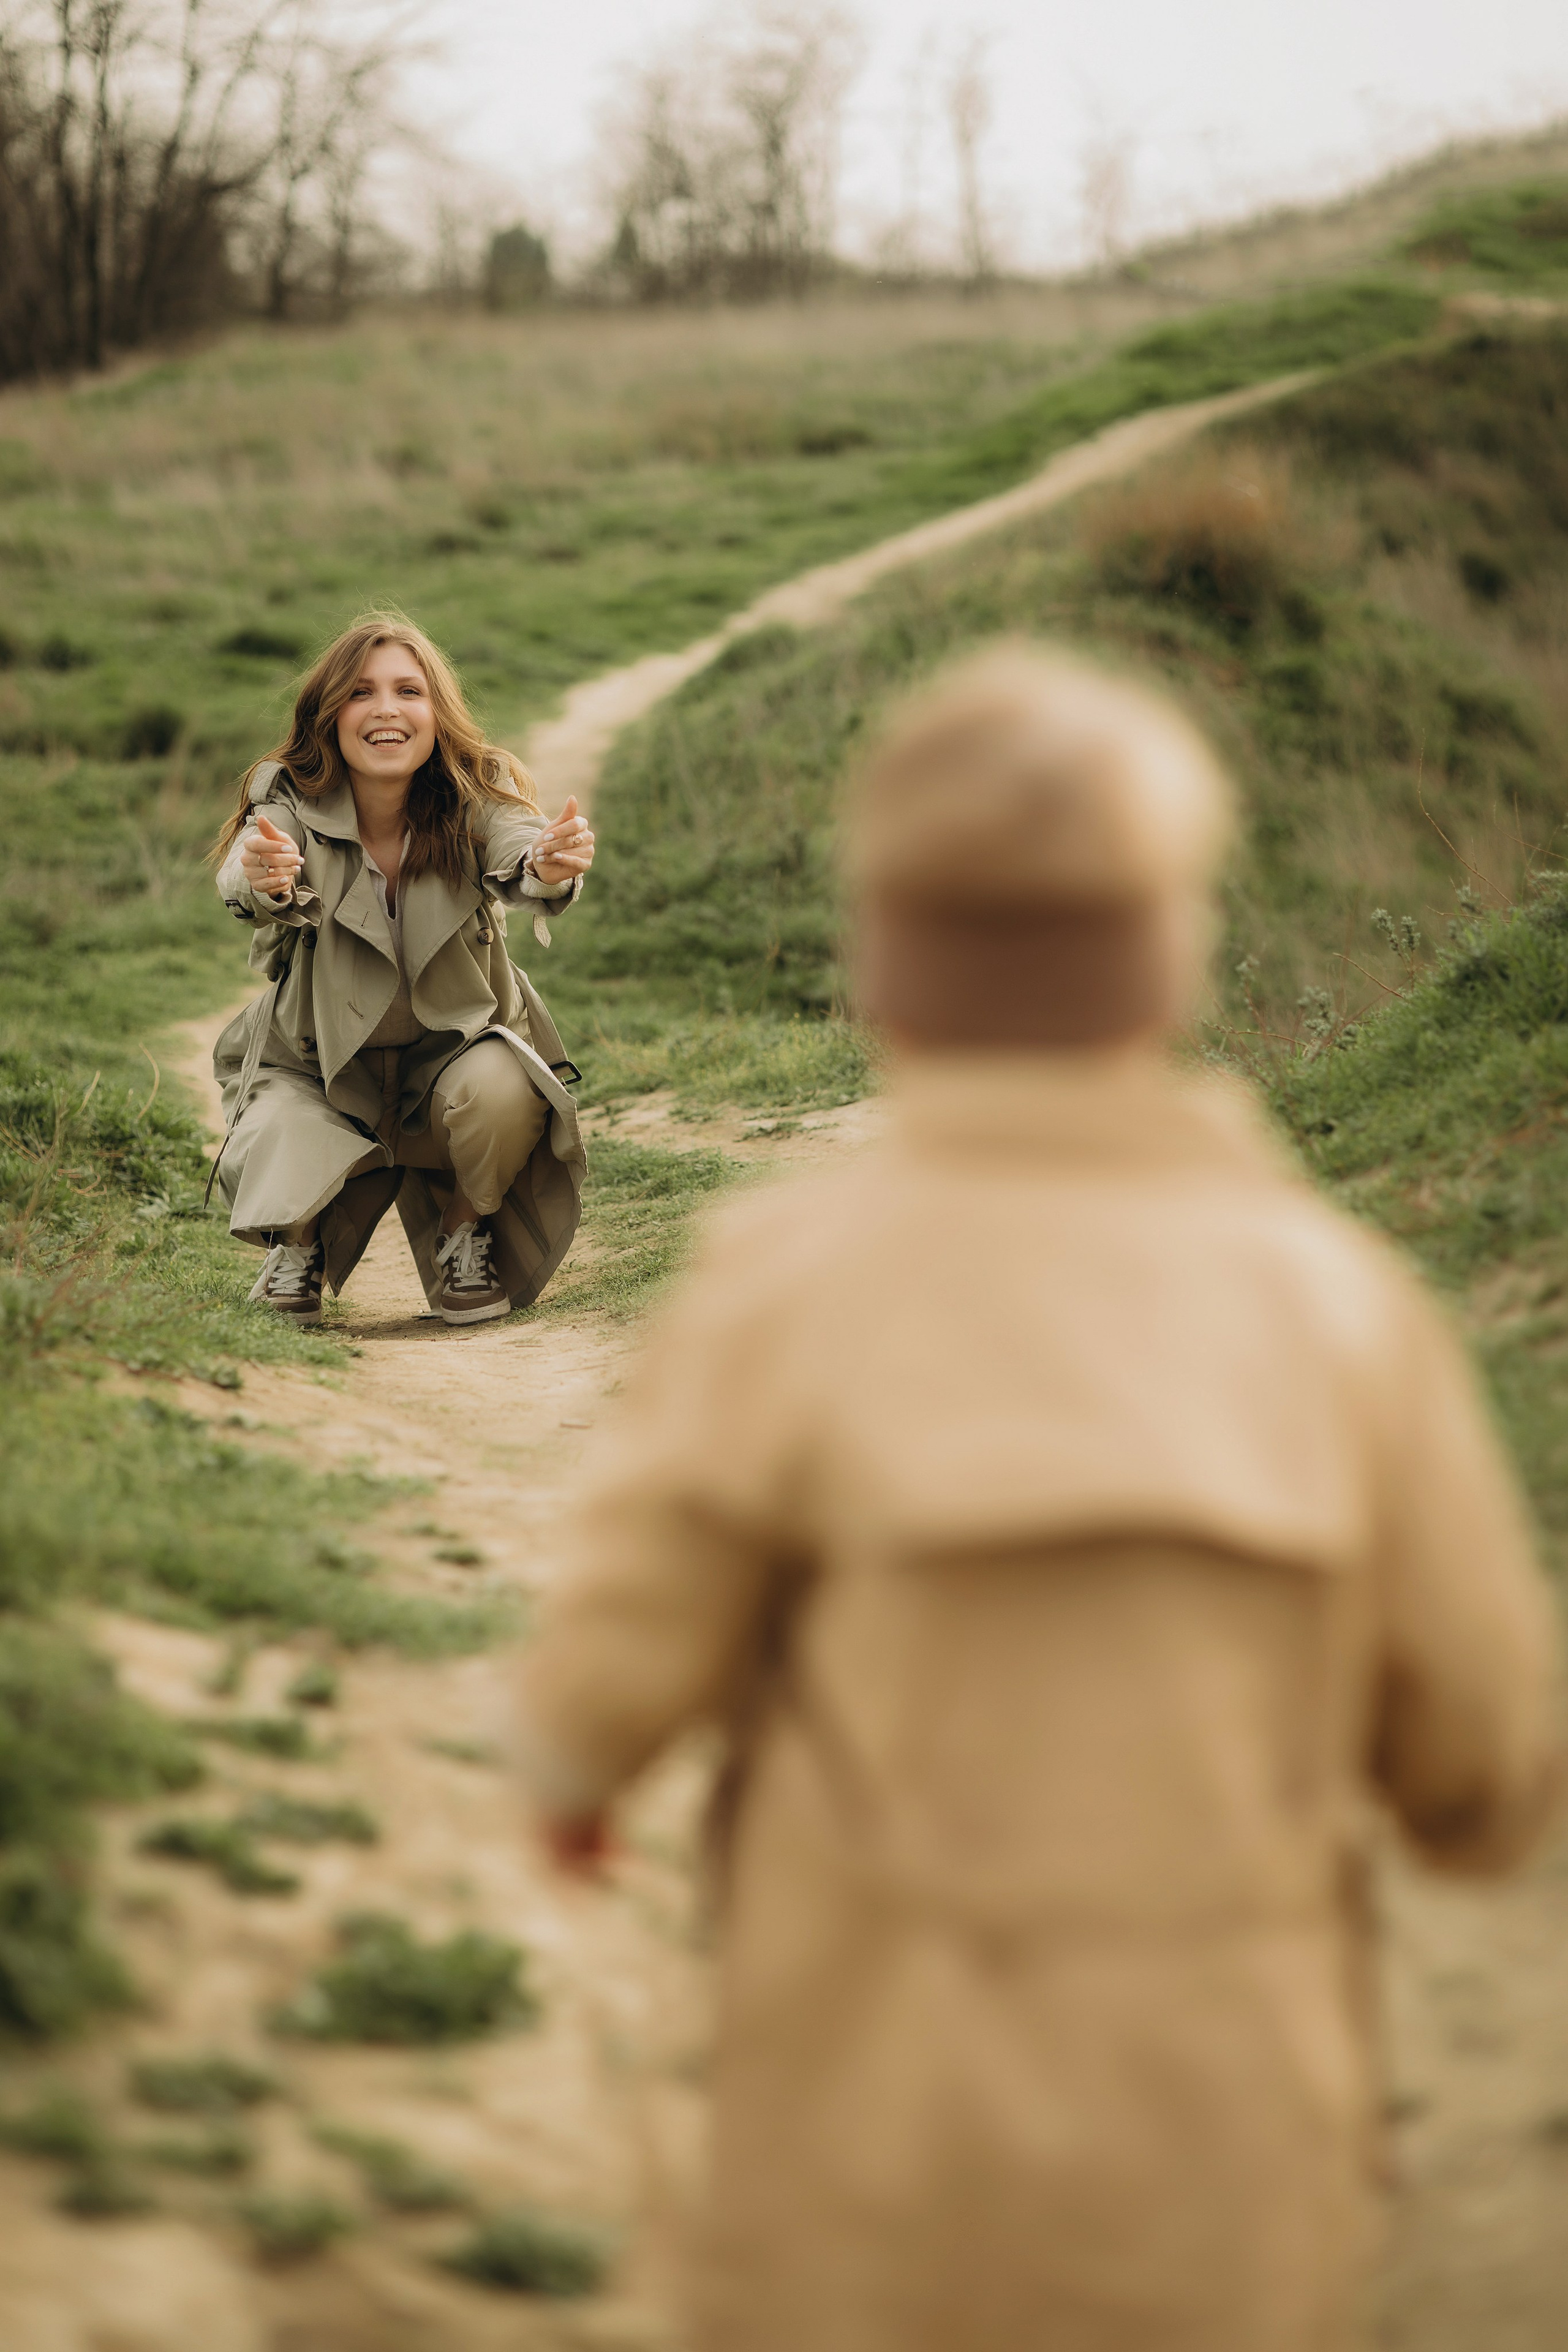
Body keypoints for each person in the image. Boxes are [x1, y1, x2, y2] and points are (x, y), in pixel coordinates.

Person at [511, 643, 1562, 2352]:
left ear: (884, 976)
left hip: (859, 2143)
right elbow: (1483, 1760)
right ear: (1171, 968)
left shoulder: (785, 1280)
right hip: (1223, 2154)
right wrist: (1470, 1813)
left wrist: (572, 1770)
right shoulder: (1333, 1307)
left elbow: (629, 1622)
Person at [209, 609, 595, 1325]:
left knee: (507, 1083)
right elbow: (247, 865)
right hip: (317, 1070)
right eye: (360, 692)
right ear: (329, 715)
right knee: (277, 1122)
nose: (386, 709)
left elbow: (521, 842)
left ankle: (464, 1230)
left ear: (436, 712)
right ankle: (297, 1248)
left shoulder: (477, 794)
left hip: (447, 1066)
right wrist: (260, 874)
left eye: (408, 691)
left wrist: (547, 863)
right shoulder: (286, 798)